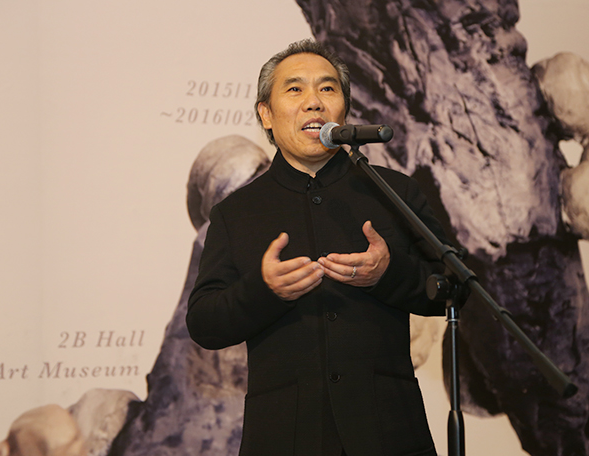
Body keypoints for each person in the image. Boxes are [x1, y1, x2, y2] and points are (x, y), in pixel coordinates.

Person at [186, 39, 446, 456]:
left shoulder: (394, 193)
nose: (314, 102)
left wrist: (389, 273)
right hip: (284, 438)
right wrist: (263, 290)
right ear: (266, 114)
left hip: (390, 433)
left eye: (327, 88)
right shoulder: (235, 213)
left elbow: (455, 288)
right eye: (295, 89)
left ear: (344, 109)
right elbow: (204, 323)